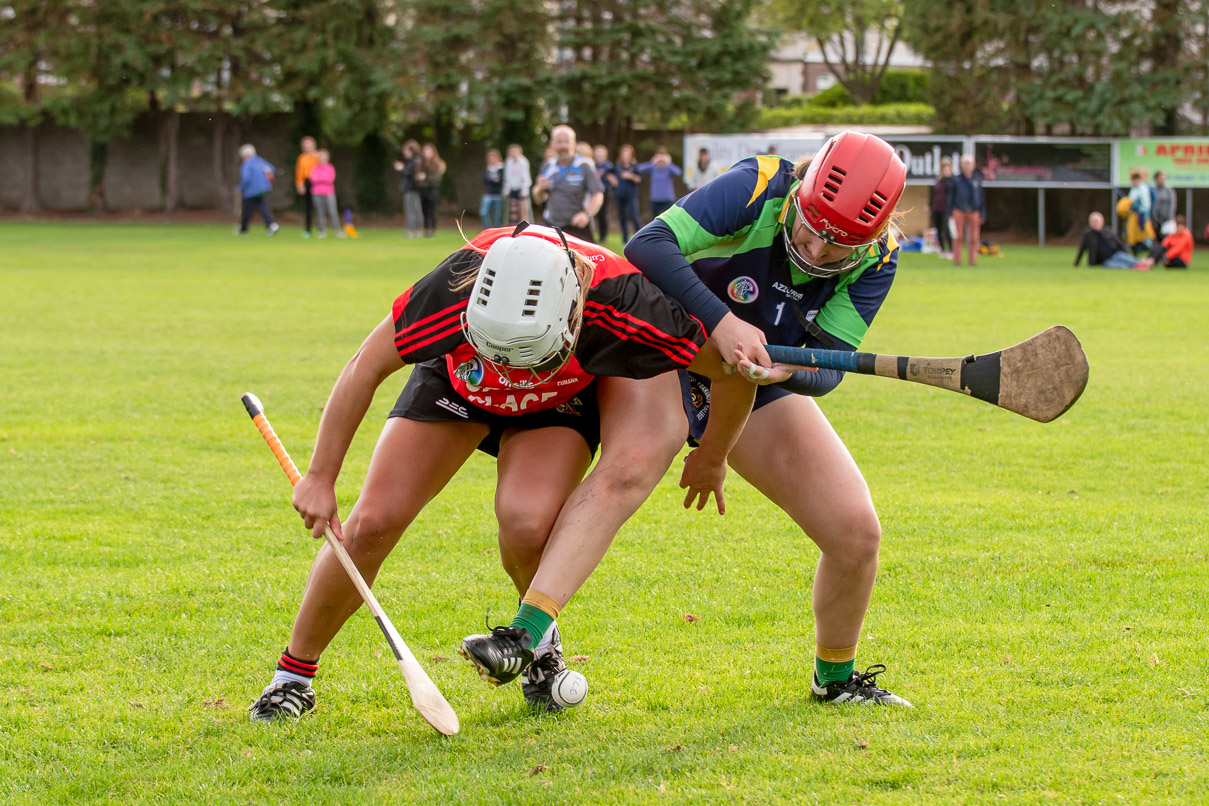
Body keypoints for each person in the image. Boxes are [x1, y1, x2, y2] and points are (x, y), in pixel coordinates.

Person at [248, 223, 752, 720]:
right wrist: (320, 475)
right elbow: (366, 365)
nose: (511, 378)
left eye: (528, 359)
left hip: (557, 402)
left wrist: (713, 454)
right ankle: (292, 677)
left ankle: (536, 641)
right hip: (457, 388)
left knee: (527, 523)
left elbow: (730, 369)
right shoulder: (454, 285)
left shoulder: (623, 299)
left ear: (573, 316)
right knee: (371, 525)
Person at [620, 131, 915, 707]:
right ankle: (535, 641)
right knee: (617, 480)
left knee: (856, 533)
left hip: (754, 379)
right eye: (811, 225)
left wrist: (786, 373)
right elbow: (648, 245)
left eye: (838, 246)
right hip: (656, 350)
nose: (817, 248)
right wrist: (723, 323)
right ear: (803, 191)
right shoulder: (760, 184)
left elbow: (829, 363)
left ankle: (835, 681)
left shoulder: (879, 256)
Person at [532, 125, 604, 243]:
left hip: (577, 227)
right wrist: (539, 188)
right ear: (552, 144)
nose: (563, 146)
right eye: (559, 142)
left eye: (567, 141)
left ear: (574, 143)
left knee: (583, 261)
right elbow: (538, 199)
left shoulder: (584, 165)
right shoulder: (547, 166)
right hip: (552, 226)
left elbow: (598, 194)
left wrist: (586, 215)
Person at [1073, 212, 1147, 269]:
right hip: (1105, 260)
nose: (1096, 224)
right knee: (1122, 267)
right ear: (1090, 223)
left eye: (1097, 221)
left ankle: (1144, 264)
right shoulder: (1088, 234)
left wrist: (1125, 252)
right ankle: (1137, 268)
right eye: (1094, 222)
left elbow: (1119, 243)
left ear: (1102, 222)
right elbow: (1082, 248)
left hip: (1116, 254)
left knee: (1132, 261)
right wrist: (1076, 264)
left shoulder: (1108, 231)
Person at [947, 154, 985, 266]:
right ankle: (957, 259)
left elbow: (982, 197)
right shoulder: (957, 179)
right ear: (961, 165)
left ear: (973, 165)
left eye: (969, 163)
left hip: (974, 210)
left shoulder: (977, 179)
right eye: (965, 163)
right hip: (959, 210)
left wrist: (983, 213)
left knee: (974, 237)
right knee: (958, 236)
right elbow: (951, 196)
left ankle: (972, 260)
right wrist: (949, 212)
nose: (967, 166)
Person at [237, 144, 279, 236]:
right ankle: (271, 225)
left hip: (251, 190)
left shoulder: (247, 163)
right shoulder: (260, 161)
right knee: (263, 207)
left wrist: (241, 187)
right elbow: (271, 169)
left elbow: (246, 178)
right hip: (263, 188)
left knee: (247, 209)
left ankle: (243, 228)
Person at [637, 146, 682, 220]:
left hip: (667, 198)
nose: (661, 159)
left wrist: (669, 163)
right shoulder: (653, 168)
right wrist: (652, 163)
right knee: (655, 220)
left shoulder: (669, 169)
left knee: (669, 219)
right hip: (655, 199)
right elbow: (639, 169)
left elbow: (678, 172)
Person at [308, 150, 343, 239]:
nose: (321, 160)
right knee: (320, 212)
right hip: (316, 192)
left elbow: (330, 179)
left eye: (323, 158)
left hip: (329, 193)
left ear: (327, 159)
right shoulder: (314, 168)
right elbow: (312, 179)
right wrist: (323, 178)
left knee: (333, 212)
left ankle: (337, 231)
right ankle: (322, 231)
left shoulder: (330, 167)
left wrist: (319, 178)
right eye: (320, 158)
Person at [613, 144, 643, 243]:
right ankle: (625, 238)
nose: (625, 155)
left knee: (634, 216)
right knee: (622, 217)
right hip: (620, 195)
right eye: (624, 153)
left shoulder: (634, 166)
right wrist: (613, 181)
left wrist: (630, 176)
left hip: (631, 195)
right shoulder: (617, 166)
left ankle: (641, 236)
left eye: (627, 153)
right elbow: (609, 173)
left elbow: (639, 179)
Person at [415, 142, 446, 238]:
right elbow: (416, 177)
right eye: (425, 151)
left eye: (429, 151)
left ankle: (432, 230)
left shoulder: (438, 164)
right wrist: (418, 178)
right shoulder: (420, 164)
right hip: (422, 190)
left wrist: (426, 177)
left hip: (432, 190)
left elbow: (437, 179)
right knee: (424, 211)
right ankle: (426, 229)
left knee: (432, 210)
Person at [393, 140, 422, 238]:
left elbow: (409, 173)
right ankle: (416, 231)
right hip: (413, 189)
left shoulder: (415, 161)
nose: (404, 154)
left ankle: (411, 231)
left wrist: (401, 168)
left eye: (406, 151)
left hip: (412, 189)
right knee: (415, 210)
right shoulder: (415, 161)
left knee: (412, 211)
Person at [929, 157, 954, 258]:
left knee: (947, 230)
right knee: (938, 229)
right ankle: (943, 250)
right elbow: (934, 194)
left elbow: (952, 194)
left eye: (947, 169)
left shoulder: (951, 181)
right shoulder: (938, 180)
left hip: (946, 209)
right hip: (936, 208)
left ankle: (951, 250)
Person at [295, 136, 319, 239]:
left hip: (318, 182)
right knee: (308, 207)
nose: (307, 146)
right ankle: (308, 230)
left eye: (309, 144)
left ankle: (321, 229)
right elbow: (299, 172)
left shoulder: (318, 156)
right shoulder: (302, 157)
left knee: (319, 206)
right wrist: (299, 184)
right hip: (306, 181)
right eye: (305, 145)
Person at [503, 144, 532, 225]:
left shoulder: (523, 161)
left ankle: (525, 225)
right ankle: (514, 226)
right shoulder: (508, 161)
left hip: (522, 188)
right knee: (513, 209)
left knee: (524, 209)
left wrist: (524, 189)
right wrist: (506, 189)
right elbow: (507, 176)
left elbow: (525, 176)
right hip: (513, 188)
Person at [1127, 169, 1153, 251]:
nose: (1133, 182)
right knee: (1134, 233)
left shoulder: (1143, 189)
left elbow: (1145, 204)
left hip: (1143, 214)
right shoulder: (1133, 189)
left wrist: (1139, 209)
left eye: (1134, 180)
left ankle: (1148, 248)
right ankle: (1136, 248)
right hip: (1134, 214)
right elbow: (1130, 201)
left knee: (1145, 231)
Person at [593, 145, 615, 244]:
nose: (599, 156)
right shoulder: (591, 165)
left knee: (603, 214)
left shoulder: (609, 166)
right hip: (594, 192)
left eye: (601, 154)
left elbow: (614, 181)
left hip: (605, 192)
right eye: (598, 154)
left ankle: (603, 236)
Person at [480, 148, 505, 229]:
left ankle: (495, 231)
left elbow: (501, 181)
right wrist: (493, 180)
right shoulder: (488, 169)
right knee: (483, 212)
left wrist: (493, 181)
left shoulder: (501, 168)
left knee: (497, 215)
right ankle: (487, 229)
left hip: (498, 195)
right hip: (488, 194)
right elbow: (484, 180)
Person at [1152, 170, 1177, 236]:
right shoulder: (1153, 189)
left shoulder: (1168, 189)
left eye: (1163, 178)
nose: (1162, 180)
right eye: (1160, 178)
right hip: (1155, 218)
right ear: (1156, 178)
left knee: (1166, 237)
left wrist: (1171, 215)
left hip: (1166, 218)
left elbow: (1173, 203)